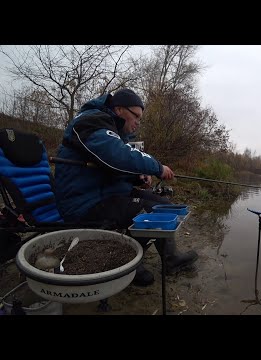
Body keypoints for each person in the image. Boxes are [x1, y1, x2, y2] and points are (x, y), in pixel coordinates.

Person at [54, 88, 198, 286]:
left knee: (163, 205)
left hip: (106, 193)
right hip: (84, 202)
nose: (138, 122)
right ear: (119, 109)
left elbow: (111, 169)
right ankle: (129, 264)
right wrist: (157, 167)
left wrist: (137, 179)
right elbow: (116, 157)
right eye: (135, 116)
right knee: (148, 212)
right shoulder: (90, 122)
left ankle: (171, 260)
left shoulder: (113, 131)